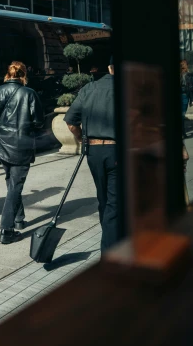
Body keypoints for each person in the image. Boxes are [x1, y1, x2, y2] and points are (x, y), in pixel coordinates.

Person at [0, 61, 44, 245]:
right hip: (21, 144)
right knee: (15, 186)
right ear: (24, 74)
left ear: (8, 74)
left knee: (12, 182)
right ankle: (6, 229)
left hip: (2, 144)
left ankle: (18, 219)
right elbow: (39, 121)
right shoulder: (30, 93)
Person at [64, 57, 118, 251]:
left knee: (104, 200)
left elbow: (70, 122)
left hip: (93, 151)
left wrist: (81, 138)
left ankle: (111, 239)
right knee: (115, 204)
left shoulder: (89, 88)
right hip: (117, 150)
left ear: (109, 67)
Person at [180, 60, 190, 138]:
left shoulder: (188, 75)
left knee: (182, 116)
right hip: (184, 95)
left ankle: (183, 132)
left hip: (185, 95)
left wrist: (192, 98)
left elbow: (191, 87)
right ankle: (183, 132)